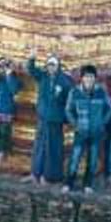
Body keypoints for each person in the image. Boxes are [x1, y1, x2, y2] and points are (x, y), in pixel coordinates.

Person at [64, 64, 111, 193]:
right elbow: (68, 110)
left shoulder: (101, 92)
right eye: (86, 77)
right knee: (75, 158)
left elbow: (109, 108)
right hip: (81, 131)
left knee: (93, 159)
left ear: (95, 78)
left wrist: (102, 123)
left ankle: (88, 184)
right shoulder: (74, 92)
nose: (88, 79)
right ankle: (69, 183)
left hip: (96, 131)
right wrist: (75, 124)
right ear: (82, 78)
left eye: (91, 77)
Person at [24, 53, 72, 185]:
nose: (51, 67)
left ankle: (48, 176)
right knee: (39, 146)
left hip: (56, 121)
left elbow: (70, 102)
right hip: (43, 118)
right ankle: (35, 174)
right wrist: (32, 58)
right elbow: (31, 69)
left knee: (53, 149)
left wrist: (66, 119)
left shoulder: (65, 81)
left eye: (54, 65)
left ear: (58, 66)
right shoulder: (43, 76)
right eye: (49, 64)